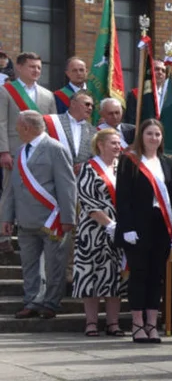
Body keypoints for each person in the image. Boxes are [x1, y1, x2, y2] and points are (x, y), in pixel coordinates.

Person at [0, 111, 75, 318]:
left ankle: (51, 303)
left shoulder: (55, 149)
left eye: (18, 126)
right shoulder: (21, 150)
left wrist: (68, 218)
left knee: (54, 264)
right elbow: (12, 188)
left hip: (52, 220)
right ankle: (32, 301)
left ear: (27, 128)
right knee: (29, 265)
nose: (15, 129)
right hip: (25, 220)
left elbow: (66, 185)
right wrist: (6, 217)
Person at [115, 119, 172, 343]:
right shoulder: (130, 161)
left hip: (162, 224)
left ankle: (152, 324)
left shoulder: (169, 163)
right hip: (137, 226)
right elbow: (123, 197)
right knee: (139, 274)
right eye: (149, 134)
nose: (154, 138)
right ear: (140, 136)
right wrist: (126, 227)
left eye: (157, 134)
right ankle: (137, 324)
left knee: (157, 276)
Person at [73, 128, 128, 336]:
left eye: (118, 143)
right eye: (113, 143)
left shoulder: (121, 167)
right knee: (91, 276)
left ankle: (113, 323)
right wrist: (109, 224)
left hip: (118, 231)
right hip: (93, 231)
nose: (117, 147)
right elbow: (87, 200)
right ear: (101, 145)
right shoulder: (89, 168)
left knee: (115, 276)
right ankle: (91, 323)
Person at [0, 53, 57, 254]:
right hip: (15, 150)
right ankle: (4, 236)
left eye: (39, 67)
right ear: (19, 68)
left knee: (39, 191)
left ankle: (37, 228)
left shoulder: (47, 95)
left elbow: (50, 126)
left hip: (41, 152)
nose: (36, 71)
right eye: (32, 67)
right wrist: (3, 150)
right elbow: (2, 122)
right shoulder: (6, 91)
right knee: (9, 190)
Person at [45, 90, 94, 174]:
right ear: (73, 104)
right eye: (87, 104)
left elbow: (95, 157)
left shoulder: (93, 130)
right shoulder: (51, 122)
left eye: (92, 106)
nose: (90, 108)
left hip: (81, 180)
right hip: (53, 175)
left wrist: (84, 166)